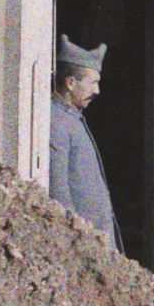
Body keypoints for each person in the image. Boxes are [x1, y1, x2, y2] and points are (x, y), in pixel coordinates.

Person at [47, 35, 122, 252]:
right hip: (83, 242)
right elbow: (59, 189)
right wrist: (74, 239)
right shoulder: (57, 121)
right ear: (70, 83)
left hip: (95, 238)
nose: (97, 91)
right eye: (93, 83)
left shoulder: (72, 117)